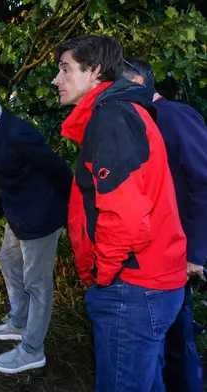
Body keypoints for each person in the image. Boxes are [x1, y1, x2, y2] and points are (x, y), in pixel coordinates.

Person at [53, 35, 186, 391]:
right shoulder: (120, 112)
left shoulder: (112, 117)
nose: (56, 79)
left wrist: (103, 274)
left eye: (65, 69)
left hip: (132, 285)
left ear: (95, 71)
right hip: (147, 281)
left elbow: (126, 217)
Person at [0, 90, 73, 374]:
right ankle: (18, 323)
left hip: (40, 218)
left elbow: (58, 169)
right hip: (17, 216)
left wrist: (74, 204)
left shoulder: (19, 134)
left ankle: (33, 349)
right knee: (8, 261)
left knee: (37, 284)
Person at [122, 56, 206, 392]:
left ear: (138, 83)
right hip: (157, 255)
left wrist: (196, 253)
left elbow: (203, 182)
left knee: (178, 339)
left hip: (181, 253)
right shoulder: (142, 121)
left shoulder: (174, 116)